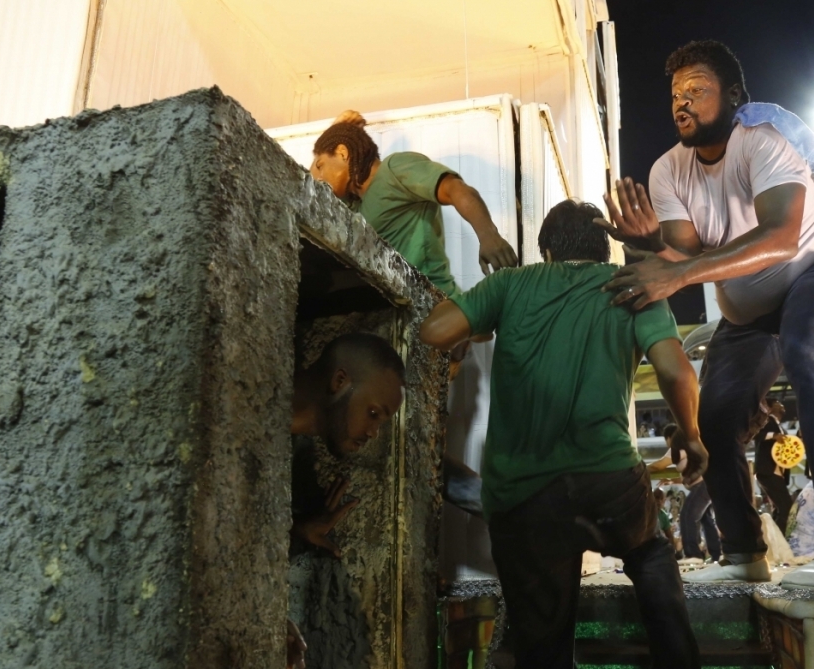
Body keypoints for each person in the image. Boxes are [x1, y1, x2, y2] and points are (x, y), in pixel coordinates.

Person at [596, 40, 814, 589]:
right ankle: (744, 554)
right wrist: (647, 246)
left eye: (698, 89)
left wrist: (675, 271)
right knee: (713, 420)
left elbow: (780, 236)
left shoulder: (763, 145)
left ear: (735, 96)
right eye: (676, 93)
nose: (683, 101)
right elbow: (683, 255)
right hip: (748, 311)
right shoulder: (667, 170)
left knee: (807, 351)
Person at [420, 199, 707, 669]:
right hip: (609, 481)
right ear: (604, 250)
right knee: (651, 554)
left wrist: (478, 324)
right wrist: (691, 436)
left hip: (523, 498)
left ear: (547, 252)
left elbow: (434, 330)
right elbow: (678, 373)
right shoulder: (631, 286)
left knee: (543, 644)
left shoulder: (509, 284)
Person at [288, 332, 407, 667]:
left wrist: (298, 530)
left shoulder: (296, 452)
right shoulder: (254, 412)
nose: (373, 433)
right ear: (340, 381)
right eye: (373, 413)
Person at [310, 111, 518, 299]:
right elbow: (308, 193)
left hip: (430, 303)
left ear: (342, 153)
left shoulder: (394, 169)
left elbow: (456, 189)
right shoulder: (352, 205)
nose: (318, 176)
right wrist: (334, 129)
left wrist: (489, 235)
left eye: (320, 166)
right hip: (392, 307)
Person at [753, 401, 792, 531]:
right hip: (768, 470)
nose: (781, 404)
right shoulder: (767, 421)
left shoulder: (779, 426)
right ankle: (780, 542)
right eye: (776, 403)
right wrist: (773, 435)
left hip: (776, 472)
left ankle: (775, 540)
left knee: (781, 507)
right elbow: (755, 434)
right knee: (786, 506)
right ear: (769, 408)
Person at [679, 482, 721, 563]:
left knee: (688, 515)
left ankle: (693, 554)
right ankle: (716, 555)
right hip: (707, 483)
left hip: (704, 482)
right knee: (706, 518)